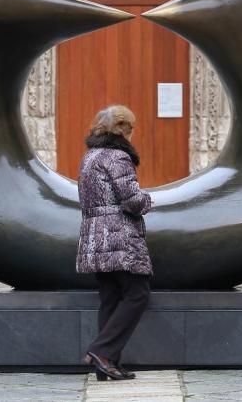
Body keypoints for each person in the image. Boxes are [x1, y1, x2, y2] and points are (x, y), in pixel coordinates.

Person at [76, 105, 153, 381]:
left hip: (94, 237)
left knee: (110, 296)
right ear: (123, 129)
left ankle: (107, 364)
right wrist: (148, 201)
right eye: (130, 129)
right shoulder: (118, 157)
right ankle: (102, 352)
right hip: (118, 234)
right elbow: (131, 200)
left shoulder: (90, 156)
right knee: (137, 293)